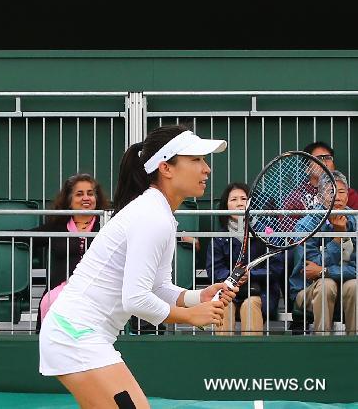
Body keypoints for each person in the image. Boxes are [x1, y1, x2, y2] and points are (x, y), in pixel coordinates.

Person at [39, 125, 237, 407]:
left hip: (77, 334)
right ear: (166, 168)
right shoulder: (151, 216)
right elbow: (136, 300)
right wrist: (190, 316)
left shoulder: (159, 214)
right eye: (196, 160)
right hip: (75, 334)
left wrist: (197, 298)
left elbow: (158, 287)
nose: (206, 169)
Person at [0, 173, 108, 332]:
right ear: (69, 200)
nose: (86, 198)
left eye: (90, 193)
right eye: (79, 194)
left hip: (95, 292)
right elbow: (24, 235)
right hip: (60, 294)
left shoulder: (107, 225)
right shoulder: (57, 226)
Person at [210, 182, 284, 336]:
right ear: (225, 206)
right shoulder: (218, 237)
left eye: (243, 199)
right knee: (224, 305)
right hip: (228, 291)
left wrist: (251, 275)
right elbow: (215, 271)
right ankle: (220, 355)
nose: (239, 203)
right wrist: (234, 277)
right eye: (233, 199)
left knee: (250, 305)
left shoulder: (265, 233)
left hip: (261, 292)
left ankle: (252, 357)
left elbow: (276, 268)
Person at [289, 171, 357, 335]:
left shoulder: (355, 221)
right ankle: (322, 344)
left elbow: (355, 270)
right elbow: (308, 269)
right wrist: (337, 239)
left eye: (341, 191)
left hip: (347, 287)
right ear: (319, 197)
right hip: (307, 291)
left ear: (347, 196)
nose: (337, 197)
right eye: (331, 191)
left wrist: (323, 271)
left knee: (355, 285)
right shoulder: (305, 225)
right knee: (327, 285)